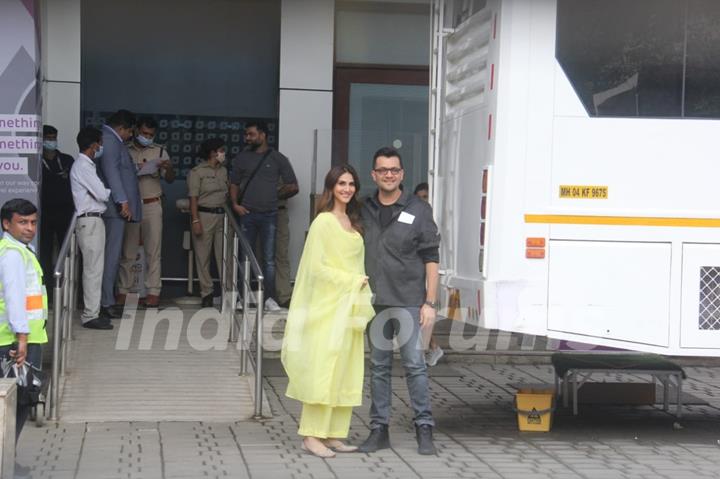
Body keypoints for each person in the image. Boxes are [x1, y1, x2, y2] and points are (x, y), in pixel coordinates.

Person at [281, 165, 374, 458]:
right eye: (341, 183)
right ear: (331, 188)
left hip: (350, 307)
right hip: (327, 307)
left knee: (345, 371)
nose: (347, 188)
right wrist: (351, 281)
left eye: (351, 184)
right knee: (324, 370)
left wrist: (360, 292)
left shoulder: (352, 221)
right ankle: (310, 436)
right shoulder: (323, 222)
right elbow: (316, 268)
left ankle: (333, 434)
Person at [358, 147, 441, 456]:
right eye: (383, 170)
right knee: (378, 368)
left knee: (415, 366)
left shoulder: (419, 209)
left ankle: (424, 428)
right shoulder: (363, 209)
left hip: (408, 302)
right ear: (374, 175)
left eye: (394, 169)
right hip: (374, 303)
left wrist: (429, 303)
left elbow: (431, 257)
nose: (389, 174)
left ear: (402, 174)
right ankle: (379, 430)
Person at [230, 120, 298, 312]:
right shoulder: (242, 158)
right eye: (246, 134)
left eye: (251, 134)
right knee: (244, 257)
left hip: (270, 214)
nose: (247, 138)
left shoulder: (278, 158)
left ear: (262, 135)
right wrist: (235, 205)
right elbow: (233, 183)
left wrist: (273, 195)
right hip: (247, 214)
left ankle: (270, 299)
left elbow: (293, 186)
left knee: (269, 259)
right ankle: (241, 298)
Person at [0, 199, 48, 439]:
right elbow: (14, 297)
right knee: (17, 403)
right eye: (23, 222)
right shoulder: (13, 255)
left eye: (33, 222)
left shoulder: (18, 251)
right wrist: (21, 337)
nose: (30, 228)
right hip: (16, 343)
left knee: (16, 402)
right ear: (6, 224)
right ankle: (5, 465)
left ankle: (7, 463)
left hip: (20, 338)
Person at [117, 116, 175, 308]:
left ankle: (153, 293)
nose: (147, 137)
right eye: (144, 133)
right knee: (128, 251)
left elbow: (170, 179)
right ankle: (123, 292)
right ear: (135, 131)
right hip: (131, 205)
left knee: (154, 250)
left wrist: (167, 168)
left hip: (152, 203)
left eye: (150, 135)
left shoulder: (159, 151)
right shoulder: (124, 149)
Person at [97, 109, 140, 320]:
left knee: (111, 257)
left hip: (115, 210)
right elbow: (112, 173)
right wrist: (122, 201)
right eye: (130, 131)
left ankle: (107, 300)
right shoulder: (110, 141)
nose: (131, 136)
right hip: (114, 210)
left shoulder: (110, 140)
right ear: (122, 127)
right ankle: (105, 303)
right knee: (110, 257)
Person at [70, 127, 113, 330]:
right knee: (93, 270)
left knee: (94, 269)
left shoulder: (85, 165)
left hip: (92, 221)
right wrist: (107, 189)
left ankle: (93, 311)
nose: (101, 147)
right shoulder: (83, 166)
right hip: (90, 221)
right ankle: (90, 315)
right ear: (94, 144)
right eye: (100, 143)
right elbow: (102, 194)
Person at [187, 138, 228, 307]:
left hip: (223, 216)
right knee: (202, 256)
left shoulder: (224, 170)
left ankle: (228, 292)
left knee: (224, 256)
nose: (223, 154)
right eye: (220, 150)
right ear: (212, 152)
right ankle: (207, 293)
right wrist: (195, 219)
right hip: (204, 215)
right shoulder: (197, 172)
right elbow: (193, 198)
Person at [39, 125, 75, 292]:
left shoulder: (67, 160)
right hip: (44, 213)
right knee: (44, 253)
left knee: (66, 253)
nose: (51, 142)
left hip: (66, 213)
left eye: (53, 138)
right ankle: (46, 290)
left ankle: (67, 291)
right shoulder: (36, 162)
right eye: (48, 138)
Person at [413, 182, 443, 367]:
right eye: (419, 197)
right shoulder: (417, 217)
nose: (422, 201)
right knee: (419, 315)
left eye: (425, 197)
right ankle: (431, 347)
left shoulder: (430, 218)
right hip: (418, 271)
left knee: (421, 314)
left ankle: (431, 347)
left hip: (429, 270)